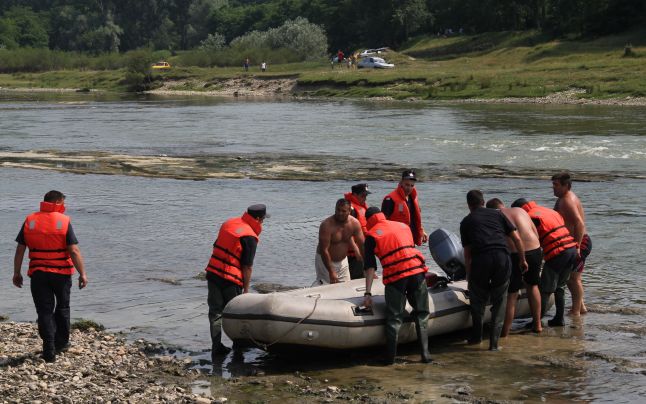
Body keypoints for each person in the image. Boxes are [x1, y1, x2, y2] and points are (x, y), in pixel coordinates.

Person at [13, 190, 88, 363]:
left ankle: (49, 349)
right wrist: (82, 273)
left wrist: (16, 272)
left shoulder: (30, 220)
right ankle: (60, 343)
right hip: (60, 274)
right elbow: (74, 250)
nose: (64, 206)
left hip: (38, 273)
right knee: (62, 307)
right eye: (63, 203)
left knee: (44, 311)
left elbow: (20, 249)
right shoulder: (64, 221)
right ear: (57, 203)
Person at [362, 207, 431, 364]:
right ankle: (426, 355)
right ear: (382, 215)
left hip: (396, 277)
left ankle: (390, 359)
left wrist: (368, 293)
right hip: (416, 272)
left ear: (368, 221)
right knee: (422, 313)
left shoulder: (371, 235)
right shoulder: (402, 225)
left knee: (394, 317)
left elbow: (370, 267)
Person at [460, 191, 526, 351]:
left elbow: (467, 254)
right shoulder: (498, 215)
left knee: (478, 301)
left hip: (481, 261)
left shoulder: (466, 221)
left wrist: (469, 277)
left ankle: (476, 338)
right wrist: (523, 260)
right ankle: (494, 345)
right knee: (499, 301)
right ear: (483, 202)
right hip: (502, 259)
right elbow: (517, 239)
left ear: (469, 205)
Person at [204, 204, 269, 360]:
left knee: (215, 312)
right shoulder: (250, 236)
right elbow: (247, 266)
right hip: (230, 280)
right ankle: (238, 349)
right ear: (259, 219)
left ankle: (216, 346)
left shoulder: (229, 223)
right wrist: (246, 290)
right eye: (264, 220)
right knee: (235, 314)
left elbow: (216, 245)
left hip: (213, 272)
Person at [512, 198, 578, 327]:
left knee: (545, 289)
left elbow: (530, 241)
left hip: (558, 253)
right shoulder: (547, 211)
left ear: (520, 210)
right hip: (572, 250)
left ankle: (537, 321)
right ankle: (559, 319)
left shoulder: (530, 217)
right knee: (560, 287)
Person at [486, 198, 542, 334]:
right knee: (533, 286)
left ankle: (505, 330)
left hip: (516, 254)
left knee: (512, 294)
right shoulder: (521, 210)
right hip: (535, 249)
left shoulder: (497, 216)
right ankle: (538, 325)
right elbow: (535, 232)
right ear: (502, 205)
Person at [552, 172, 591, 316]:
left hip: (581, 242)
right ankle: (581, 307)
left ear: (566, 186)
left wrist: (578, 246)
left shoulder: (567, 200)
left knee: (572, 279)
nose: (553, 188)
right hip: (576, 242)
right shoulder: (564, 198)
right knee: (574, 278)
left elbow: (579, 223)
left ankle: (576, 311)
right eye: (553, 185)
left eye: (556, 185)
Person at [314, 199, 364, 285]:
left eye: (343, 211)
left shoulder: (354, 223)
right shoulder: (326, 225)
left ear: (349, 211)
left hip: (343, 262)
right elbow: (324, 250)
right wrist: (331, 271)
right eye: (338, 210)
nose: (340, 213)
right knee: (326, 287)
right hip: (325, 261)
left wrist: (368, 266)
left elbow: (362, 244)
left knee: (346, 286)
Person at [381, 169, 428, 246]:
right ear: (401, 182)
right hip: (396, 241)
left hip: (410, 239)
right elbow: (383, 222)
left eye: (411, 185)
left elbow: (414, 218)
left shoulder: (413, 197)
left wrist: (422, 230)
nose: (409, 188)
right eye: (407, 185)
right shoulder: (390, 199)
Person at [344, 183, 371, 279]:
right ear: (354, 195)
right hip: (353, 254)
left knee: (362, 276)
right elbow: (347, 232)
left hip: (360, 250)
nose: (365, 198)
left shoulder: (361, 207)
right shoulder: (351, 209)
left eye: (366, 195)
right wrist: (355, 249)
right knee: (356, 278)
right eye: (362, 195)